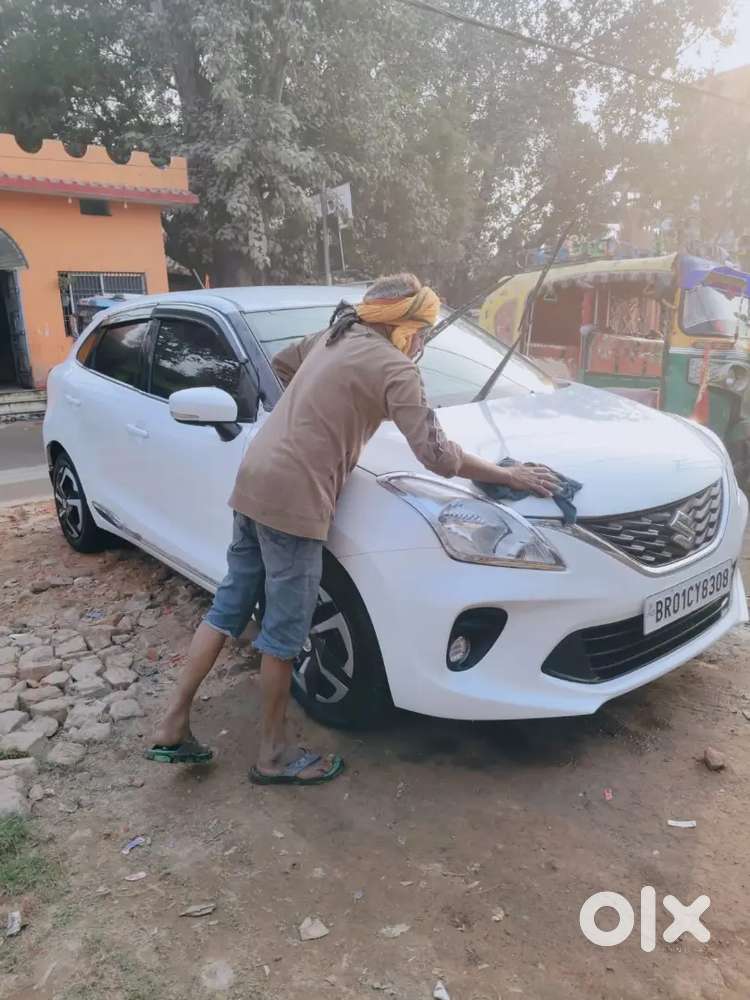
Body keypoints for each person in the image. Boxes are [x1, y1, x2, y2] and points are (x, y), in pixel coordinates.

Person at [147, 273, 558, 785]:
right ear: (406, 327)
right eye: (422, 332)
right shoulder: (396, 369)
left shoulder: (334, 335)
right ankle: (273, 756)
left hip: (254, 478)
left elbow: (282, 366)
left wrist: (320, 413)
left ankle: (172, 723)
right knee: (284, 635)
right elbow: (437, 455)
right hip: (295, 499)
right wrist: (508, 475)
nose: (423, 343)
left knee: (227, 608)